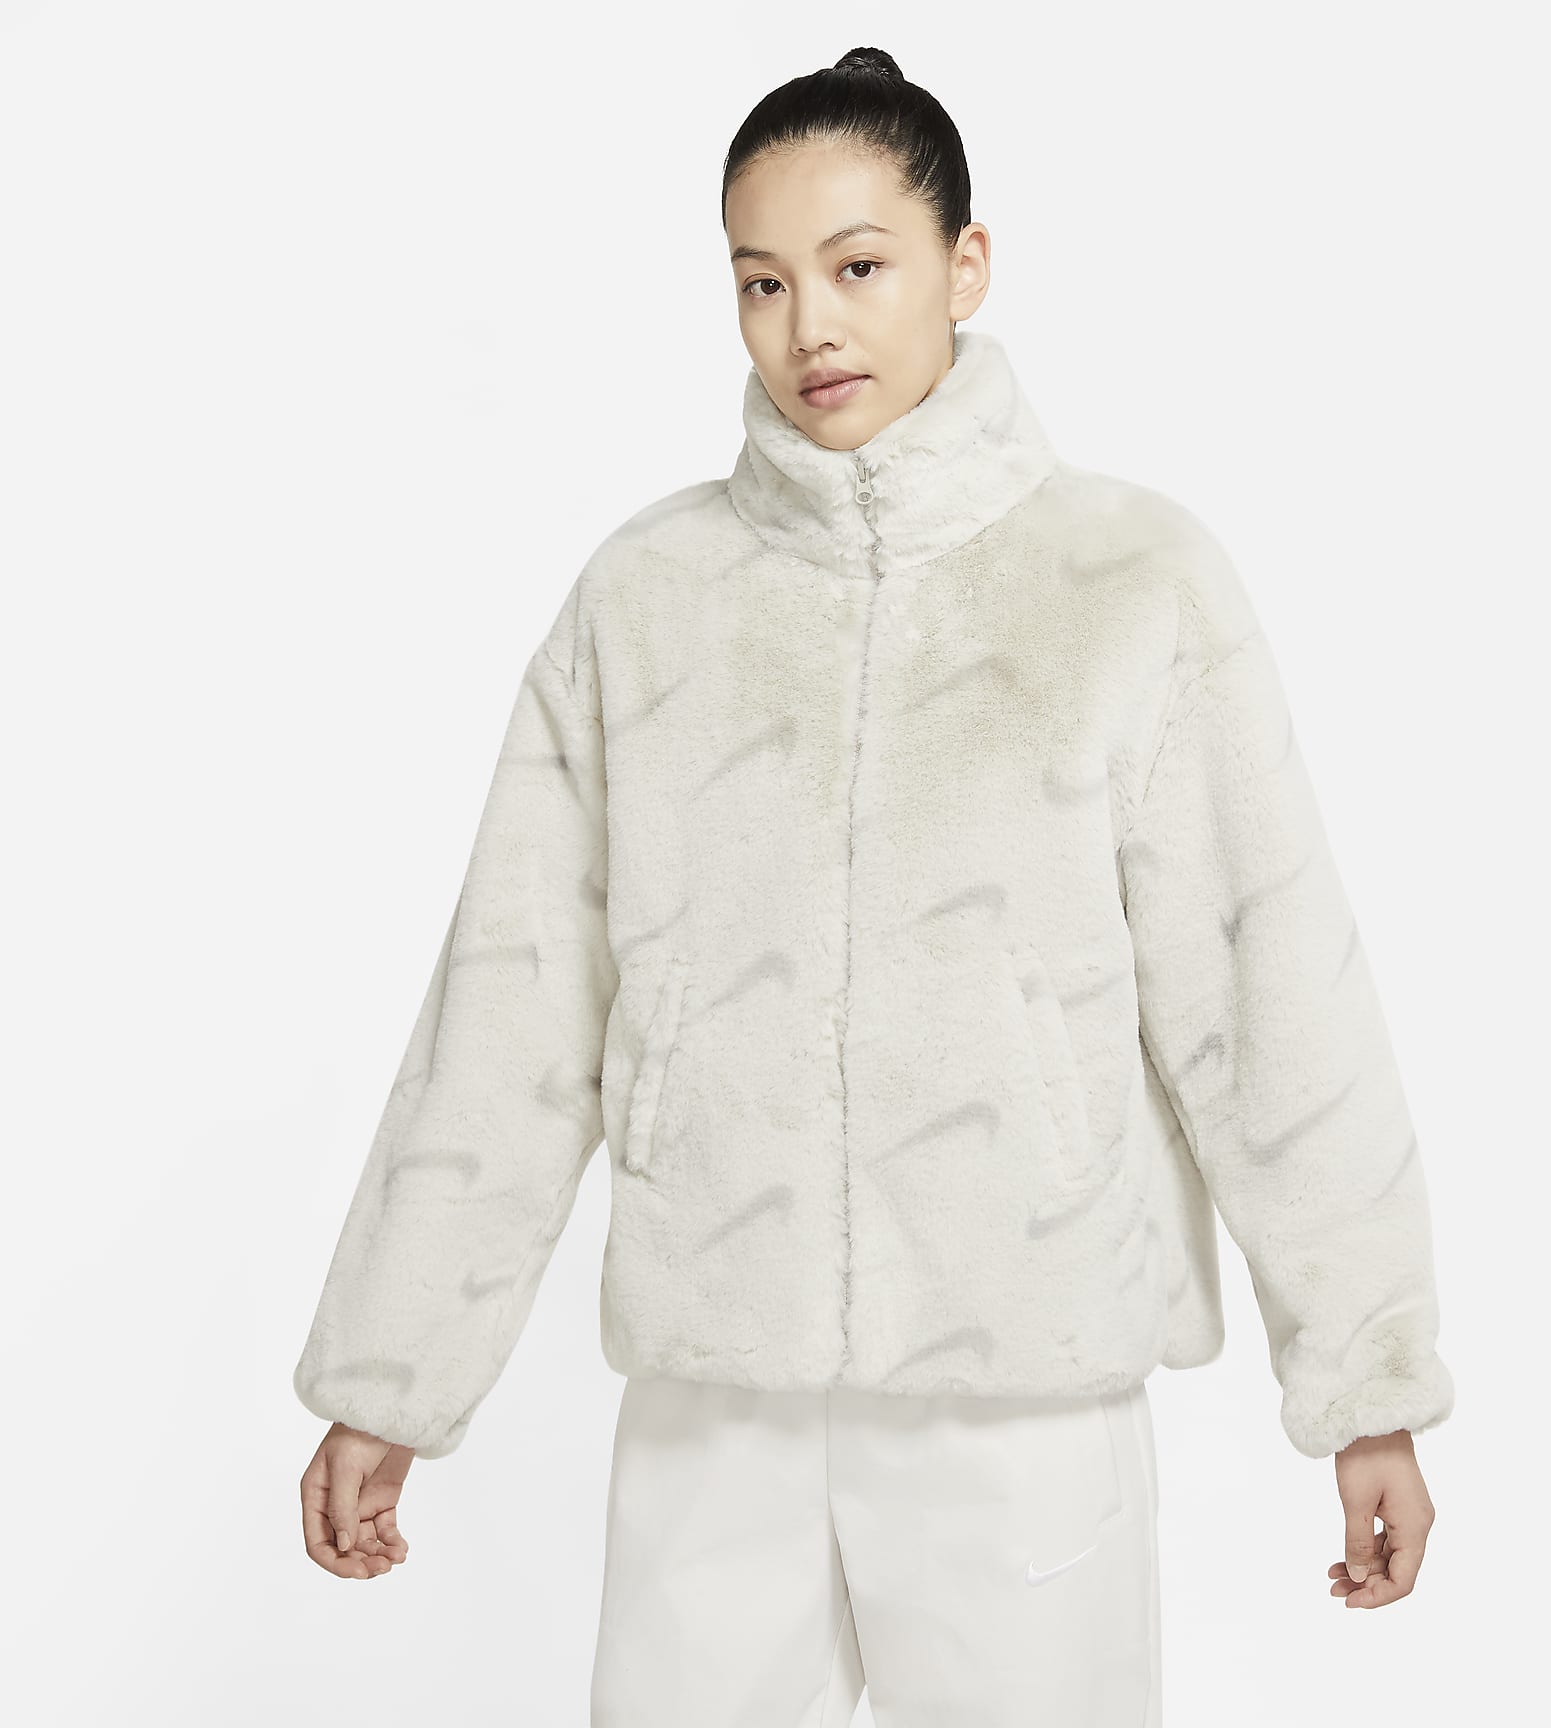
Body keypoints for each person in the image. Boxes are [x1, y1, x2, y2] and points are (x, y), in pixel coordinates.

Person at [293, 45, 1454, 1726]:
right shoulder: (644, 599)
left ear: (964, 265)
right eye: (761, 282)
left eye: (858, 267)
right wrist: (391, 1378)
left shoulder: (1133, 583)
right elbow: (513, 1010)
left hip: (1021, 1409)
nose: (808, 328)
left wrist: (1367, 1383)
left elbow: (1268, 991)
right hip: (717, 1407)